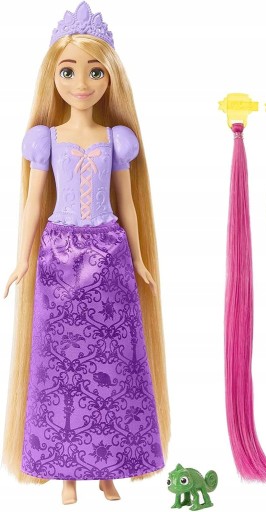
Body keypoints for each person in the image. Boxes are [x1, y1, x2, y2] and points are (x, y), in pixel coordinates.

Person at [2, 1, 170, 505]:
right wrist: (22, 259)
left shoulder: (116, 140)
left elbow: (128, 204)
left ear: (110, 77)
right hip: (58, 257)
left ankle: (109, 470)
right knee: (58, 368)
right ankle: (66, 475)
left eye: (95, 71)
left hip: (109, 257)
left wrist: (138, 258)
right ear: (52, 77)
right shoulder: (45, 140)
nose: (81, 83)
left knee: (116, 363)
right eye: (69, 71)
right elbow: (34, 204)